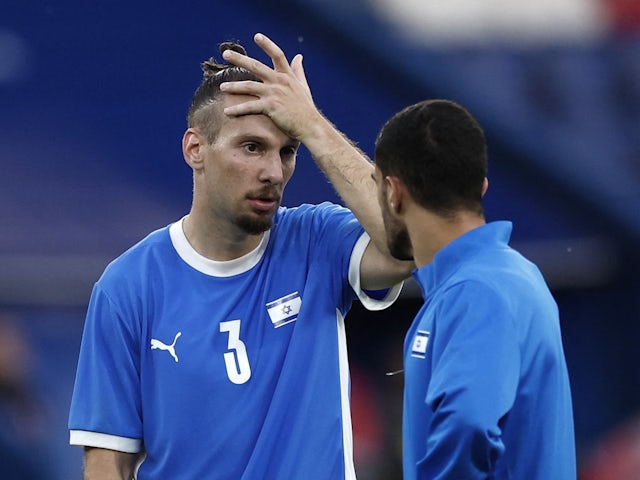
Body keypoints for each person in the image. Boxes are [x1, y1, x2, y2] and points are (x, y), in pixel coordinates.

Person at [68, 33, 413, 479]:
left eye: (287, 151)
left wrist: (313, 126)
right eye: (251, 148)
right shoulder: (128, 287)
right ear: (195, 149)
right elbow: (107, 460)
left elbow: (404, 245)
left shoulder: (317, 239)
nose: (273, 172)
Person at [371, 99, 576, 479]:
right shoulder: (508, 275)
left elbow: (469, 422)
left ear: (393, 192)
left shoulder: (477, 291)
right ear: (481, 187)